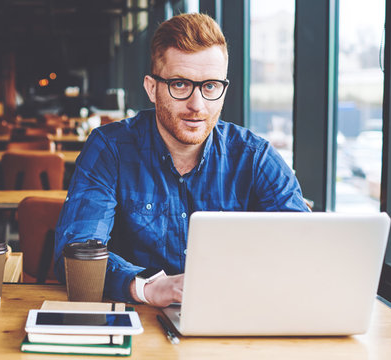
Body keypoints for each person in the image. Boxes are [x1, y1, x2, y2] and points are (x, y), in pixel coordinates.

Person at [54, 13, 309, 306]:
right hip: (141, 322)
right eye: (179, 85)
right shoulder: (110, 148)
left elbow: (304, 248)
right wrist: (148, 287)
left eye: (210, 86)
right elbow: (76, 253)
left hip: (235, 318)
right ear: (152, 88)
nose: (196, 105)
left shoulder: (255, 157)